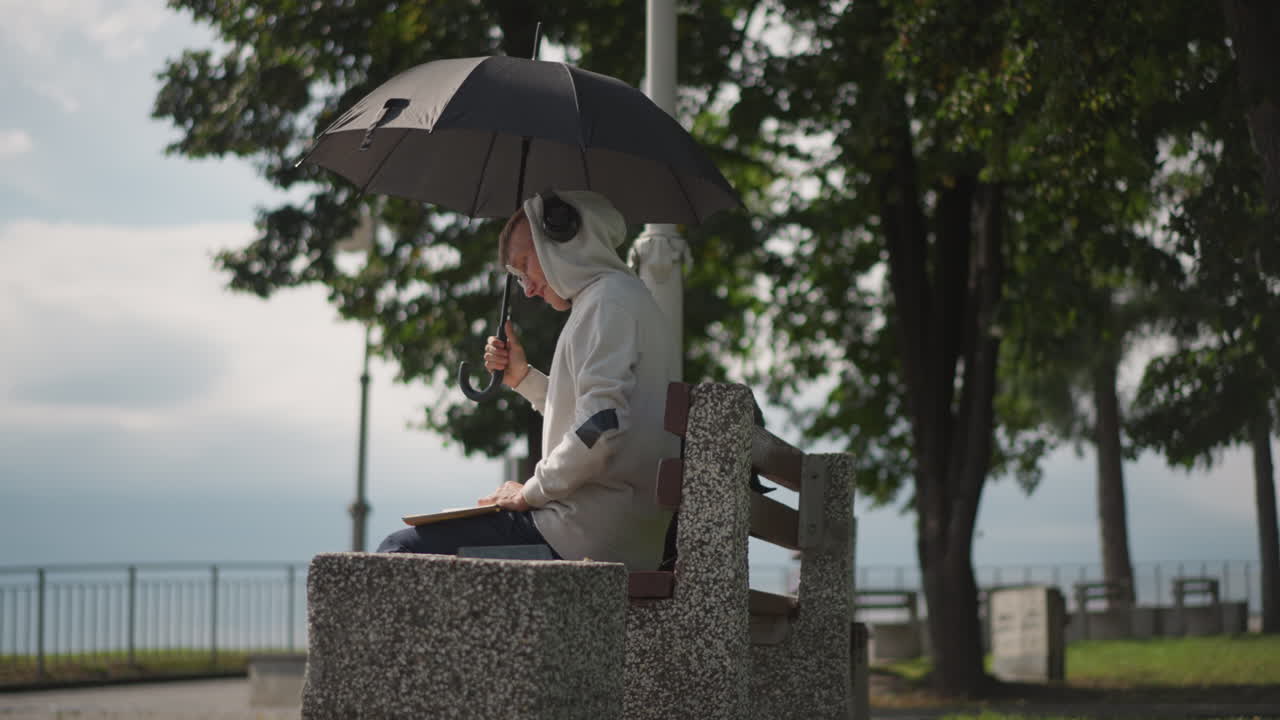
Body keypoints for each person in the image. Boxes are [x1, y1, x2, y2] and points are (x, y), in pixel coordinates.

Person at [376, 191, 680, 570]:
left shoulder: (607, 304)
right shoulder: (623, 298)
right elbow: (598, 415)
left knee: (398, 554)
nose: (528, 288)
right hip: (614, 534)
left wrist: (531, 492)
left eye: (525, 265)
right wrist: (521, 378)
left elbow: (599, 429)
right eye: (517, 277)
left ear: (567, 236)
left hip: (582, 538)